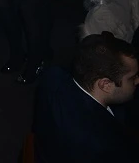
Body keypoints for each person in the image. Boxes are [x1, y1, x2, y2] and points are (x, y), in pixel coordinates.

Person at [34, 32, 137, 162]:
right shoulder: (104, 143)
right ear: (105, 84)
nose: (137, 80)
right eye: (132, 77)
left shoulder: (53, 76)